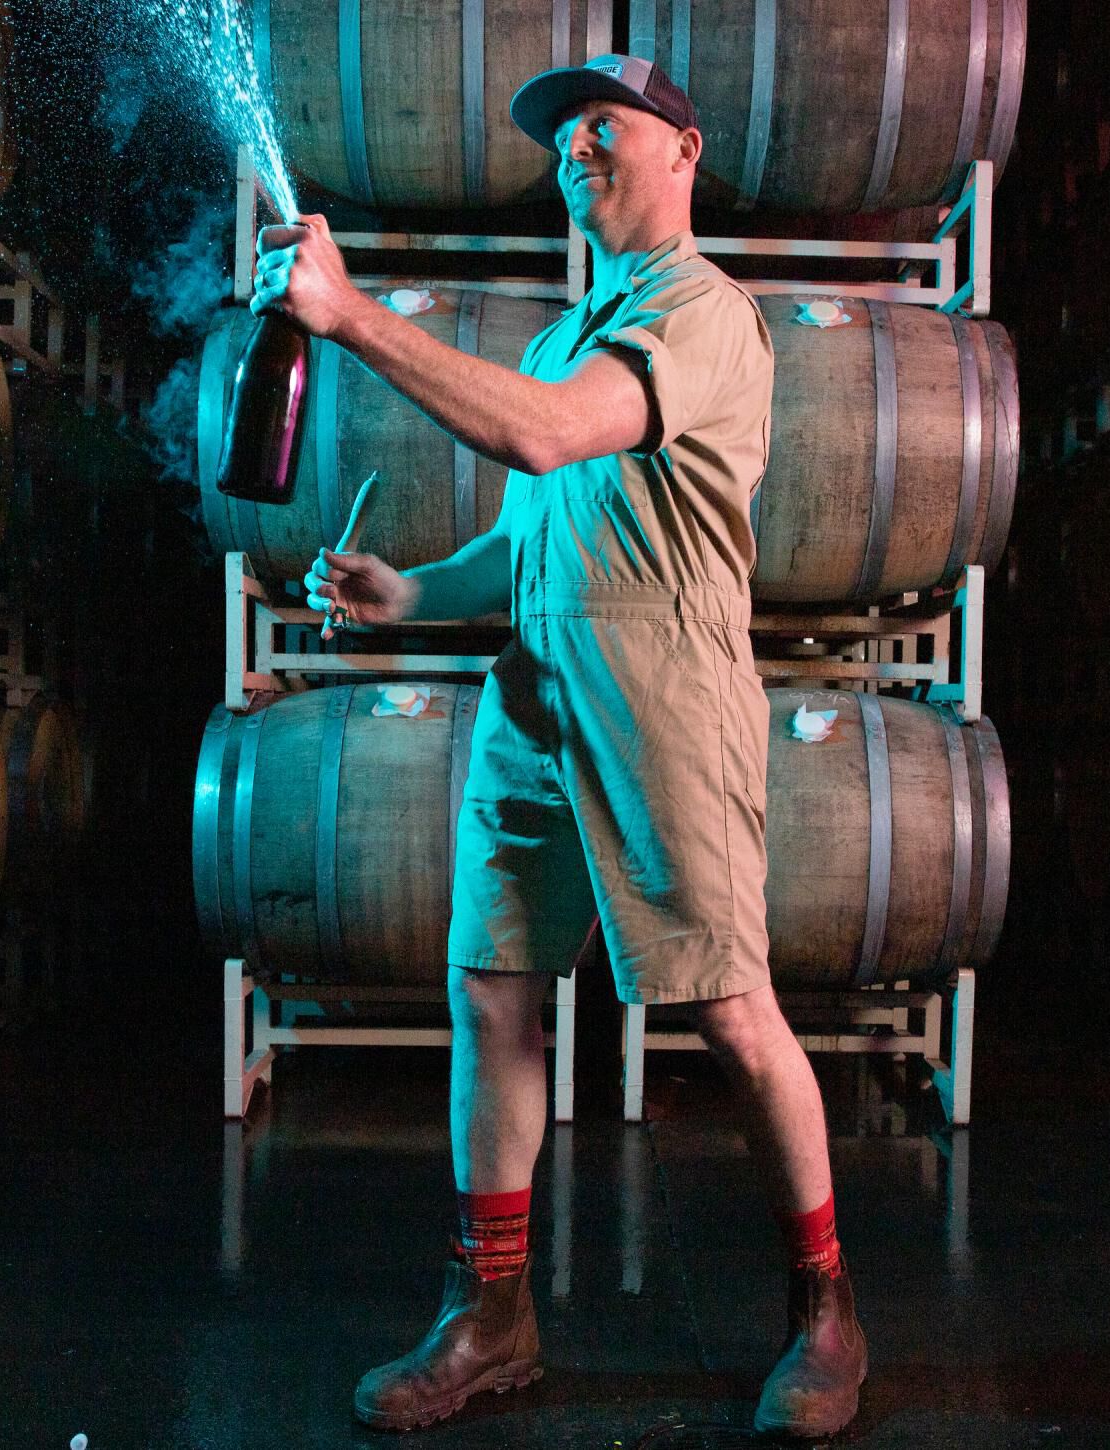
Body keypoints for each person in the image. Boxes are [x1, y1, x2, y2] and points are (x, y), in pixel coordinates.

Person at [249, 55, 868, 1437]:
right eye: (565, 137)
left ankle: (827, 1305)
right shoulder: (563, 329)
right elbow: (531, 544)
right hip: (532, 695)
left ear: (683, 153)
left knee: (728, 1008)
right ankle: (495, 1313)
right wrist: (410, 592)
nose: (580, 147)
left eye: (610, 126)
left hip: (664, 695)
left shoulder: (704, 314)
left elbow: (545, 442)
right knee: (493, 996)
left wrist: (347, 317)